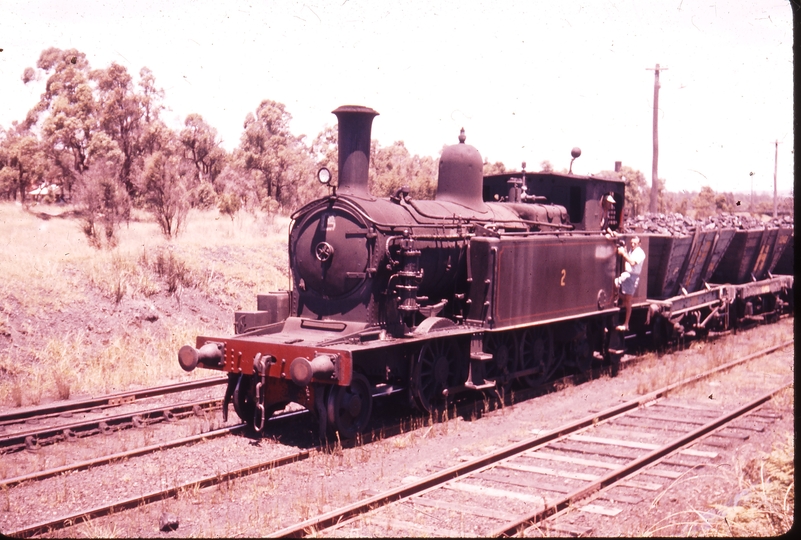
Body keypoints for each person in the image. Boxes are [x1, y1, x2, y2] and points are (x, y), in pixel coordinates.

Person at [614, 235, 645, 332]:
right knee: (615, 286)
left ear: (639, 244)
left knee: (627, 301)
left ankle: (626, 324)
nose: (632, 244)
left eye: (634, 243)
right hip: (627, 274)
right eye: (631, 243)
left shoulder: (640, 253)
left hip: (632, 276)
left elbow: (632, 262)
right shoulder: (632, 251)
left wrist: (623, 254)